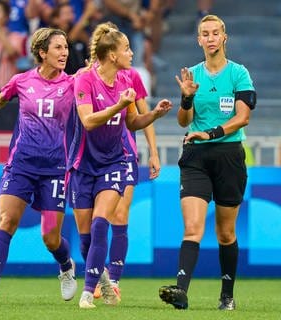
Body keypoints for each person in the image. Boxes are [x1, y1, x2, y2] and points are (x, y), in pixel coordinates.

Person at [0, 27, 77, 305]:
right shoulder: (22, 81)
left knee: (51, 238)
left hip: (55, 170)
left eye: (66, 47)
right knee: (7, 221)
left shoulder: (73, 84)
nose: (64, 53)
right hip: (21, 165)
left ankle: (66, 267)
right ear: (42, 52)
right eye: (58, 48)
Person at [67, 22, 172, 308]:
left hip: (116, 160)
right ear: (111, 54)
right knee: (86, 236)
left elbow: (133, 120)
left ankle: (93, 290)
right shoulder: (85, 79)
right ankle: (99, 276)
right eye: (126, 48)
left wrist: (154, 116)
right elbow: (88, 121)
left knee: (105, 222)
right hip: (83, 163)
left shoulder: (129, 79)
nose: (131, 52)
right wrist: (118, 106)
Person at [159, 14, 256, 311]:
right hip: (196, 157)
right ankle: (181, 292)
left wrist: (211, 132)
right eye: (205, 33)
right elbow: (182, 122)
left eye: (216, 33)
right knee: (192, 227)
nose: (211, 37)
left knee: (226, 232)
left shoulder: (239, 74)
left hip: (228, 156)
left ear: (224, 37)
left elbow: (243, 117)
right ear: (199, 39)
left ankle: (227, 295)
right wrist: (186, 99)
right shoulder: (193, 75)